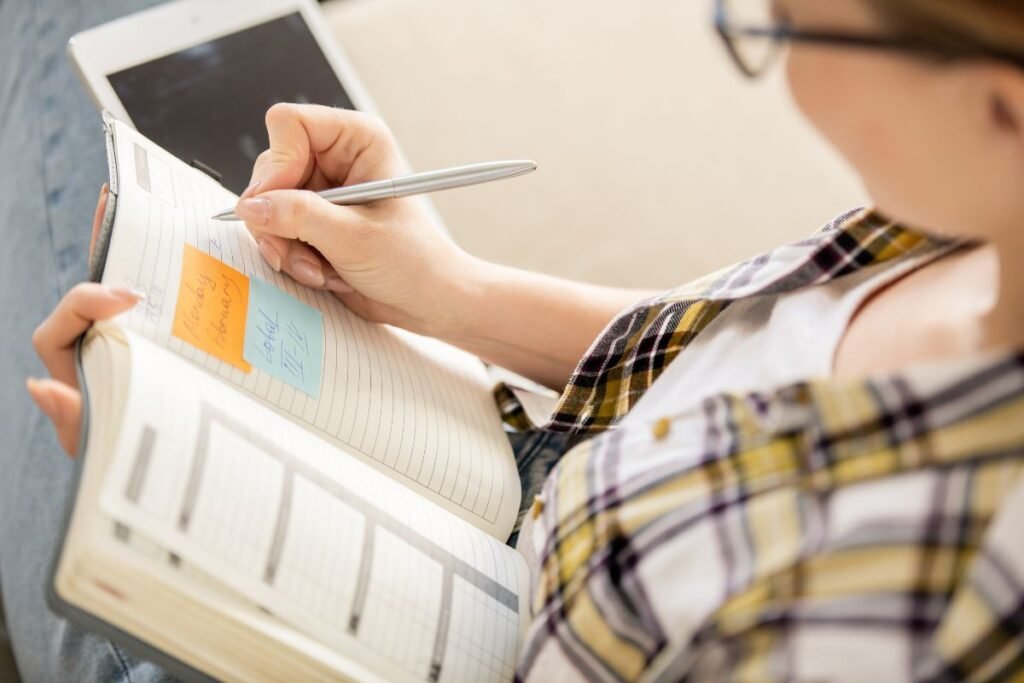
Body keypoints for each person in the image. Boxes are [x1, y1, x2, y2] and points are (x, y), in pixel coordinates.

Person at [15, 0, 1024, 680]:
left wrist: (149, 508)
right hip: (507, 465)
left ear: (1004, 110)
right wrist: (451, 290)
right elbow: (731, 364)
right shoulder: (966, 219)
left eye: (786, 24)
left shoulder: (927, 608)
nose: (777, 47)